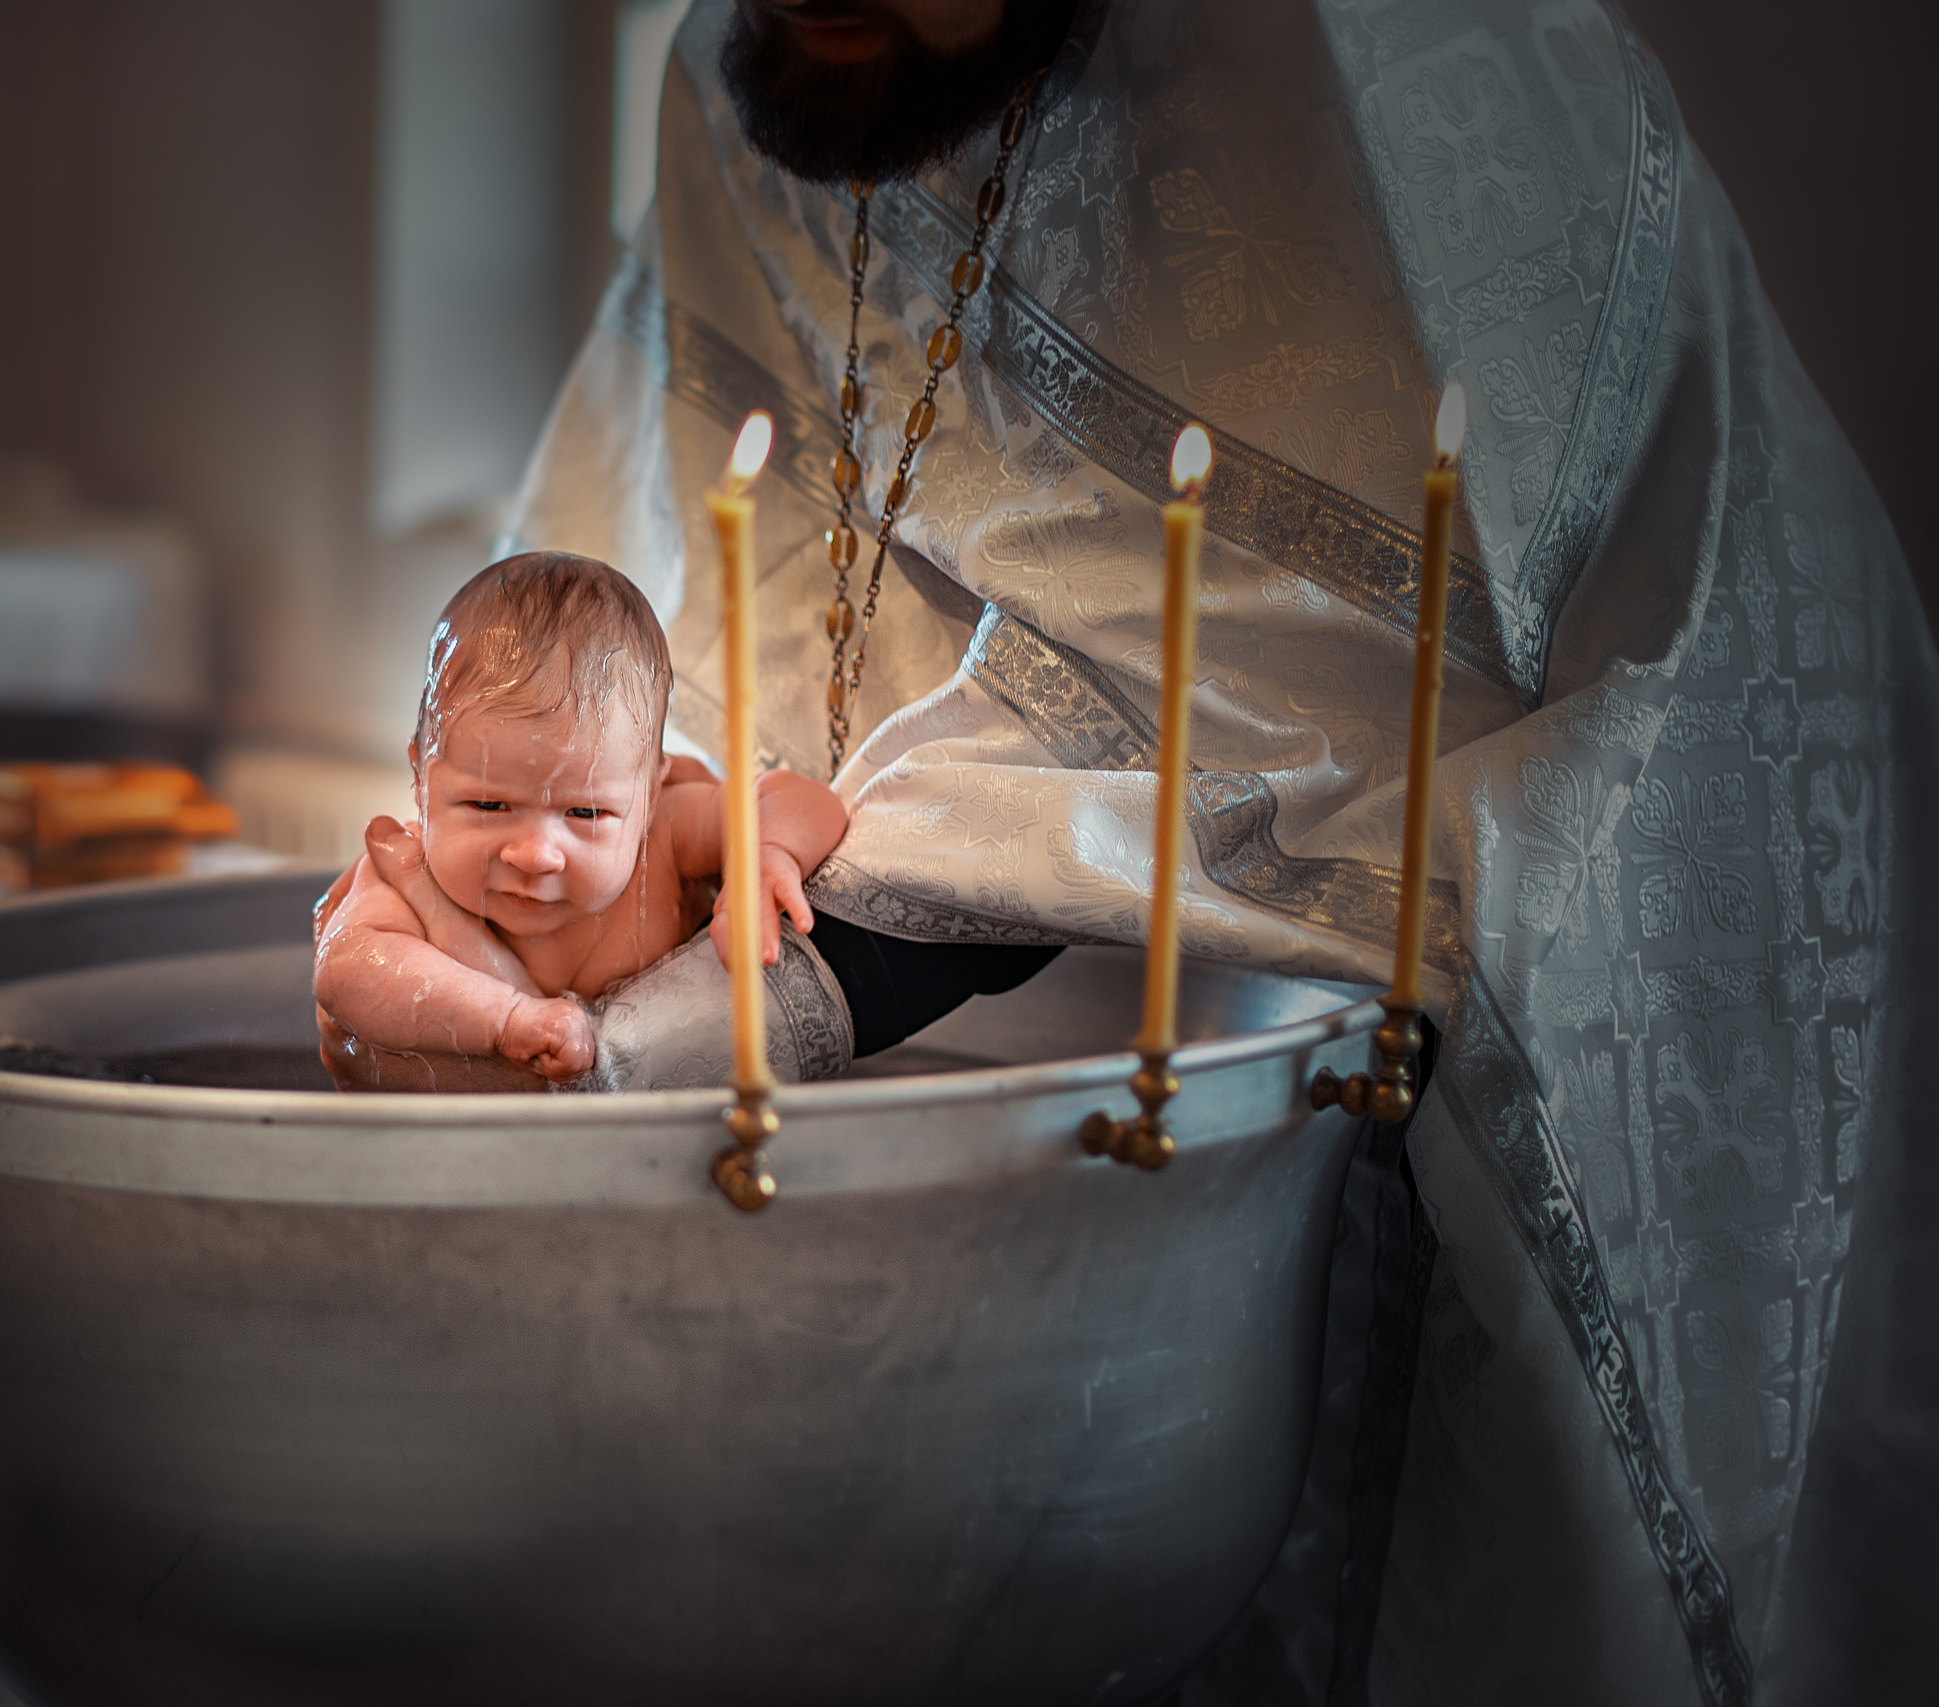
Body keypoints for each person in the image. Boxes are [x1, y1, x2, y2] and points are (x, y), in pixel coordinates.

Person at [327, 0, 1935, 1698]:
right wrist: (513, 859)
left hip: (1415, 1123)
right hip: (911, 1276)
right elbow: (653, 604)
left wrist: (769, 950)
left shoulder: (1407, 87)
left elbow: (1345, 717)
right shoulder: (754, 67)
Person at [313, 550, 848, 1088]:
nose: (535, 853)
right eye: (488, 805)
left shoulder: (662, 837)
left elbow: (799, 799)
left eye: (586, 812)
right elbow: (348, 967)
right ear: (421, 781)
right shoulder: (406, 879)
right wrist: (503, 1020)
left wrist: (764, 857)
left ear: (651, 793)